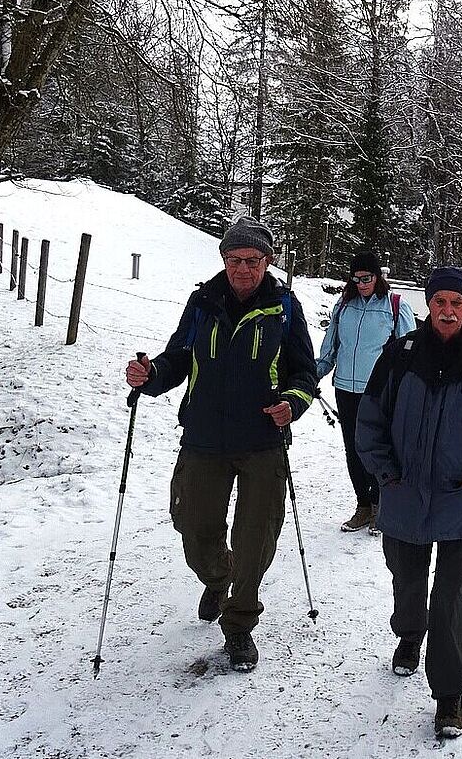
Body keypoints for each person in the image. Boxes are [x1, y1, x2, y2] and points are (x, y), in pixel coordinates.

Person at [124, 217, 317, 672]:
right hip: (205, 438)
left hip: (261, 442)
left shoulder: (284, 308)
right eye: (235, 260)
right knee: (193, 528)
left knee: (255, 540)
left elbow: (304, 373)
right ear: (224, 261)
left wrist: (292, 403)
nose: (243, 269)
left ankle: (240, 625)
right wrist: (151, 376)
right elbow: (178, 357)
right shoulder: (202, 302)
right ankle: (217, 576)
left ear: (267, 262)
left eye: (252, 260)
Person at [355, 267, 462, 739]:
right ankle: (410, 636)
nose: (448, 312)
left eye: (457, 303)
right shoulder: (400, 354)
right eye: (440, 302)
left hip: (460, 498)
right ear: (429, 305)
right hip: (404, 493)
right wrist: (385, 473)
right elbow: (370, 419)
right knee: (407, 578)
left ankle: (450, 694)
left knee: (450, 593)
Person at [316, 249, 415, 534]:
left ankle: (381, 503)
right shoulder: (344, 306)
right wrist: (313, 373)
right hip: (345, 387)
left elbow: (407, 352)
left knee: (379, 448)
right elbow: (330, 349)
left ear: (377, 276)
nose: (361, 283)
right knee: (354, 448)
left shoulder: (395, 306)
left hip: (379, 391)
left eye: (366, 277)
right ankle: (363, 504)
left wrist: (405, 388)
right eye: (356, 278)